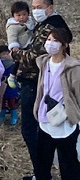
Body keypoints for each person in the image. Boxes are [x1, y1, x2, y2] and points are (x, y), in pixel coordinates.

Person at [11, 0, 73, 180]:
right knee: (44, 131)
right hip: (41, 82)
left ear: (50, 8)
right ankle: (43, 172)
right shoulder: (45, 24)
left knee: (33, 131)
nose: (35, 11)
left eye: (40, 8)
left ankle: (42, 173)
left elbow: (33, 56)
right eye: (34, 8)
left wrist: (14, 52)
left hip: (36, 83)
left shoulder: (50, 28)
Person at [33, 28, 80, 180]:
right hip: (44, 120)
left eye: (55, 41)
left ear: (64, 45)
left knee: (68, 164)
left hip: (63, 122)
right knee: (42, 163)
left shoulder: (73, 68)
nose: (50, 44)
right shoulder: (44, 63)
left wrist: (74, 114)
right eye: (49, 40)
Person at [6, 1, 35, 88]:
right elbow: (12, 37)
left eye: (24, 14)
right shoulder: (13, 26)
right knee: (17, 62)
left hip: (29, 45)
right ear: (13, 16)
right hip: (20, 47)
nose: (21, 17)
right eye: (18, 15)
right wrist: (14, 46)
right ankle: (12, 76)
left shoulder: (31, 22)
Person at [0, 45, 19, 125]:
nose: (5, 56)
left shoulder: (14, 64)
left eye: (7, 54)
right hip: (2, 85)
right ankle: (1, 117)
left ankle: (14, 118)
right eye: (3, 54)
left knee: (12, 102)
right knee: (2, 102)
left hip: (11, 85)